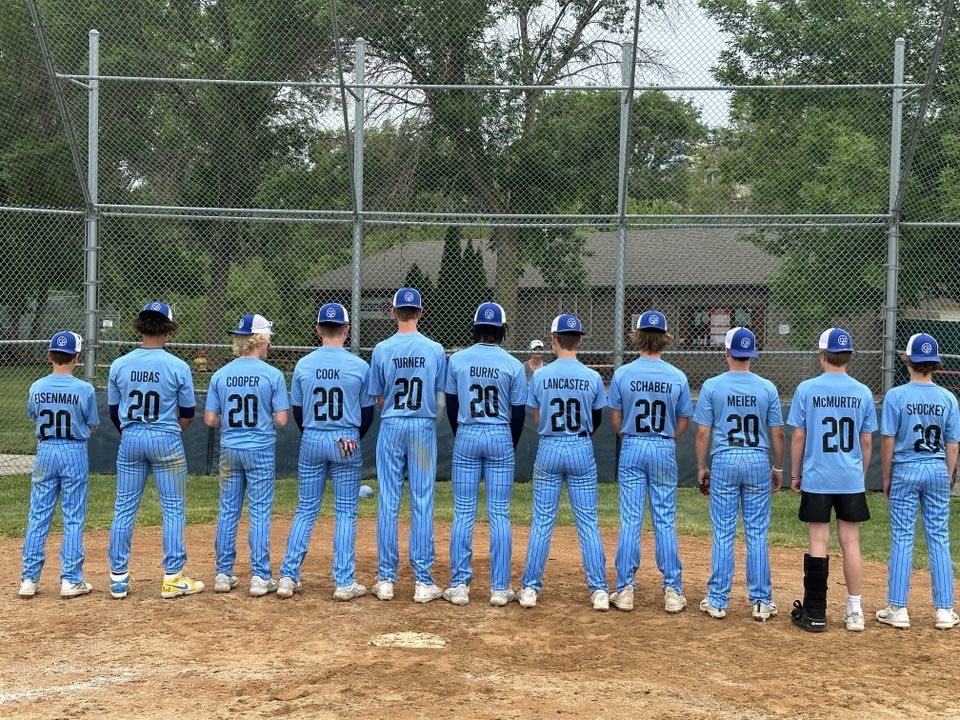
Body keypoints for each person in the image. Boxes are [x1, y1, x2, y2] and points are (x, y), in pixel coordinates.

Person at [107, 301, 203, 599]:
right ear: (168, 328)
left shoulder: (120, 364)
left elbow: (113, 411)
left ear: (141, 325)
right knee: (173, 507)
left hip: (131, 437)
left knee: (124, 507)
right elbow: (187, 411)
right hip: (166, 438)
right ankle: (173, 577)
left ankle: (118, 579)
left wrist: (132, 431)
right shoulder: (177, 365)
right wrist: (171, 430)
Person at [278, 303, 374, 600]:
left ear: (318, 329)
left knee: (306, 508)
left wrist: (312, 434)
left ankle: (287, 576)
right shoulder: (359, 365)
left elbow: (297, 411)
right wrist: (351, 437)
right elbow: (367, 413)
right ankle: (344, 582)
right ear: (347, 330)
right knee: (345, 511)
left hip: (313, 435)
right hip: (346, 438)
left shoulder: (304, 365)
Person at [788, 328, 877, 632]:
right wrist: (860, 475)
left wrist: (796, 473)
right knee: (851, 542)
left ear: (822, 356)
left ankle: (815, 612)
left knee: (818, 541)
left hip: (818, 476)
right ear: (848, 357)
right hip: (850, 477)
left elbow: (799, 435)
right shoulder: (863, 391)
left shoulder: (807, 388)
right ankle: (855, 611)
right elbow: (866, 442)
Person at [518, 313, 608, 611]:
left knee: (542, 520)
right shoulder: (592, 376)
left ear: (554, 340)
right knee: (588, 522)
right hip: (580, 445)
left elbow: (536, 415)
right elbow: (596, 419)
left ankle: (530, 588)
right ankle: (599, 591)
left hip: (550, 445)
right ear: (579, 340)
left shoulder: (541, 374)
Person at [693, 327, 785, 621]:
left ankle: (718, 600)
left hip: (724, 458)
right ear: (752, 356)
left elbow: (703, 432)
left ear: (726, 353)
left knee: (723, 531)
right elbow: (778, 433)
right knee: (757, 532)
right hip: (758, 457)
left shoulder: (712, 385)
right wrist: (778, 467)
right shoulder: (767, 387)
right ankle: (761, 601)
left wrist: (700, 467)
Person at [607, 310, 693, 614]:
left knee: (631, 519)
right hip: (662, 444)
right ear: (665, 338)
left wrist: (629, 436)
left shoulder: (623, 373)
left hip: (632, 442)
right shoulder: (677, 376)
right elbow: (684, 418)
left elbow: (615, 418)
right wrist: (668, 437)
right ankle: (672, 590)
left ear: (638, 337)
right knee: (664, 520)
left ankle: (625, 589)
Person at [442, 302, 527, 607]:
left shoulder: (458, 361)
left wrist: (462, 432)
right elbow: (518, 414)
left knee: (463, 512)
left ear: (474, 328)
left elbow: (452, 406)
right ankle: (500, 588)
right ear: (502, 331)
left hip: (467, 432)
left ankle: (460, 585)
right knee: (499, 513)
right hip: (500, 434)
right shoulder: (513, 364)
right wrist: (509, 443)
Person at [876, 333, 959, 630]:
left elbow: (888, 441)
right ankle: (944, 611)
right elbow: (952, 444)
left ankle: (898, 608)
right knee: (938, 536)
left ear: (908, 362)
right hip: (936, 467)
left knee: (903, 536)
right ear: (935, 364)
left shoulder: (897, 396)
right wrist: (946, 475)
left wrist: (887, 476)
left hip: (906, 467)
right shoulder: (948, 398)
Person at [369, 288, 447, 603]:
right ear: (421, 312)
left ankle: (386, 579)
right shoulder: (435, 349)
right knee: (422, 500)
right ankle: (422, 581)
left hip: (391, 425)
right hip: (423, 426)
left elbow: (377, 397)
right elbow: (441, 396)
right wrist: (429, 420)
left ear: (393, 312)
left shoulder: (382, 348)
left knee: (389, 498)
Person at [205, 314, 289, 597]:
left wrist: (231, 422)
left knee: (228, 510)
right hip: (260, 448)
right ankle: (260, 576)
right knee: (260, 511)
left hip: (231, 448)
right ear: (261, 341)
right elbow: (281, 420)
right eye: (268, 340)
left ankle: (222, 573)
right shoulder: (272, 375)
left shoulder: (221, 374)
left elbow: (209, 419)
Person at [19, 331, 100, 599]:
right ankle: (71, 579)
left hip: (46, 449)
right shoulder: (84, 388)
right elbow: (92, 424)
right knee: (73, 516)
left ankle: (29, 579)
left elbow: (34, 414)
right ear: (77, 358)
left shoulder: (37, 386)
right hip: (74, 450)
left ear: (49, 356)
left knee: (39, 514)